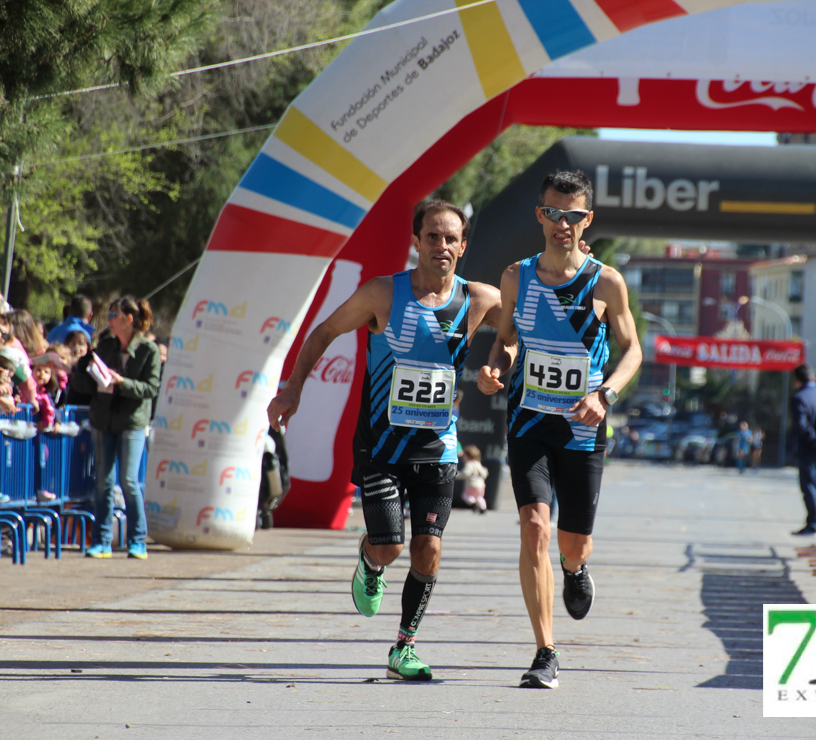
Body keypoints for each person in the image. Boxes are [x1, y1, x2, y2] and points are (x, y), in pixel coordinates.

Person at [268, 200, 501, 682]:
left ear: (463, 245)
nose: (441, 246)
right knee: (390, 547)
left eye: (450, 238)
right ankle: (370, 558)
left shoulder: (479, 299)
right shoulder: (383, 294)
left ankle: (405, 646)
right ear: (416, 242)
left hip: (438, 447)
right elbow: (324, 332)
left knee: (428, 551)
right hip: (382, 447)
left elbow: (520, 326)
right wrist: (293, 389)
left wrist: (503, 359)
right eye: (432, 237)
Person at [478, 170, 642, 689]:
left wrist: (604, 395)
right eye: (553, 212)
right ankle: (545, 651)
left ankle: (574, 569)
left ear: (586, 220)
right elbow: (505, 340)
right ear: (540, 216)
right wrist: (495, 369)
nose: (562, 224)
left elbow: (633, 350)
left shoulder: (605, 282)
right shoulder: (515, 278)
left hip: (583, 429)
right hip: (530, 423)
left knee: (572, 543)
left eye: (573, 216)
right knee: (533, 528)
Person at [69, 296, 160, 560]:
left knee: (129, 481)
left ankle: (137, 540)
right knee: (103, 482)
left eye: (113, 316)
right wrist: (85, 374)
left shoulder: (148, 350)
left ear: (128, 319)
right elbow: (85, 383)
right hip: (103, 420)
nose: (108, 320)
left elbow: (151, 388)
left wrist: (122, 382)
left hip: (131, 423)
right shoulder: (105, 346)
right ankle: (101, 541)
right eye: (108, 315)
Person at [791, 363, 816, 536]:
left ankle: (814, 523)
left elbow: (801, 425)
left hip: (808, 449)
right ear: (813, 378)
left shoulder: (799, 397)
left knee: (809, 486)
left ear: (797, 380)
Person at [457, 444, 488, 513]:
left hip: (471, 485)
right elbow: (484, 472)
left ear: (468, 456)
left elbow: (466, 473)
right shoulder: (478, 463)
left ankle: (473, 504)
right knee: (479, 497)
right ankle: (483, 508)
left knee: (465, 496)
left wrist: (456, 475)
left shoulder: (469, 464)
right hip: (481, 485)